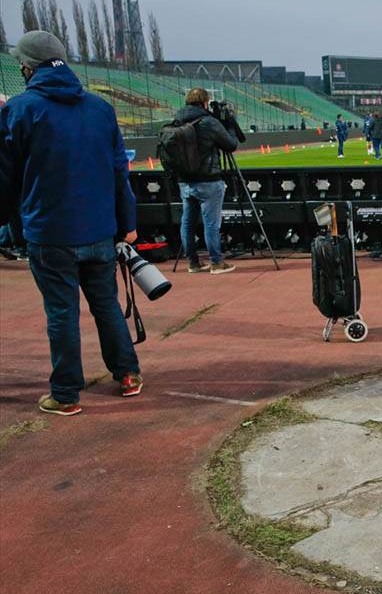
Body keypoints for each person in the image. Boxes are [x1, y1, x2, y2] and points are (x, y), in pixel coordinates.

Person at [0, 31, 143, 416]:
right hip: (99, 229)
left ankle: (65, 393)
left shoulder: (20, 108)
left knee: (61, 313)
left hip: (49, 232)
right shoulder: (99, 108)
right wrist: (126, 222)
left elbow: (6, 177)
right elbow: (119, 172)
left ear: (28, 68)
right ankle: (128, 374)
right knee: (107, 306)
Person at [173, 88, 239, 274]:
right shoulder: (208, 122)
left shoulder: (177, 120)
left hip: (185, 180)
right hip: (208, 179)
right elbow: (231, 144)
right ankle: (216, 262)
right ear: (205, 103)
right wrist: (230, 127)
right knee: (211, 223)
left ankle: (193, 262)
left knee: (187, 222)